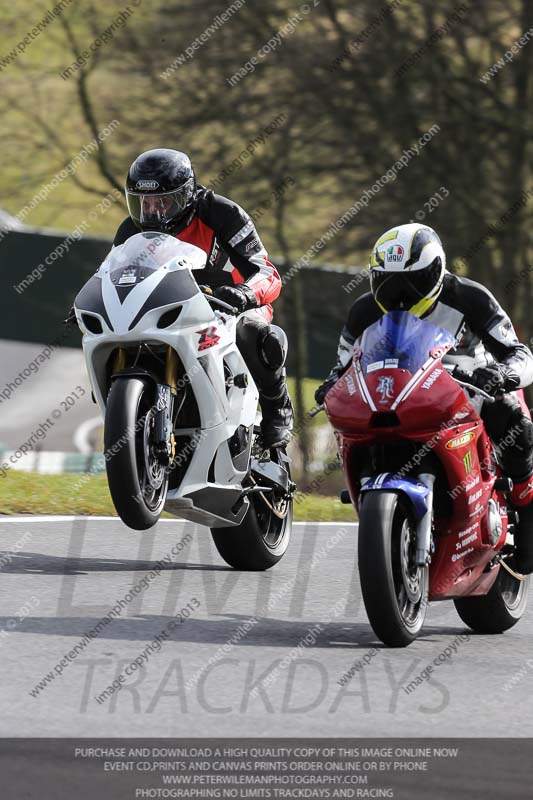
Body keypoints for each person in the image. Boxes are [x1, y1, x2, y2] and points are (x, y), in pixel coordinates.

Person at [315, 223, 533, 574]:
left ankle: (527, 511)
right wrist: (329, 387)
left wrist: (501, 375)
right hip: (400, 392)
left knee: (514, 421)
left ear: (435, 271)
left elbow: (519, 352)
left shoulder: (470, 297)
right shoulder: (364, 312)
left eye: (412, 282)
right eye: (387, 283)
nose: (400, 294)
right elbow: (341, 366)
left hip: (469, 389)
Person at [112, 148, 293, 448]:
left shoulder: (222, 214)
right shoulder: (131, 230)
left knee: (253, 332)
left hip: (228, 305)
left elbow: (268, 272)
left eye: (163, 201)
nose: (153, 212)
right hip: (167, 308)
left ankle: (277, 410)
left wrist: (245, 293)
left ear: (187, 196)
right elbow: (111, 275)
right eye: (144, 203)